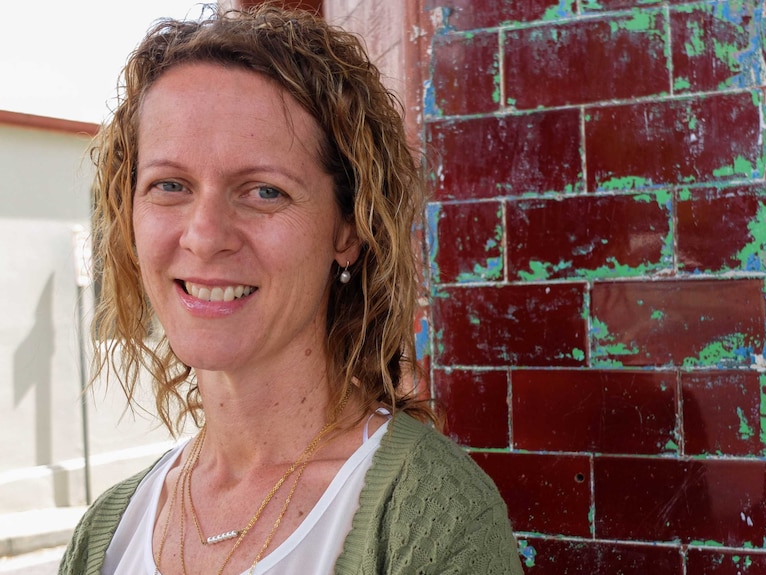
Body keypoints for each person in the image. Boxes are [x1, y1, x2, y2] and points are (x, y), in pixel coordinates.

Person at [59, 4, 523, 574]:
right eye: (170, 184)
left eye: (264, 192)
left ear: (348, 228)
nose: (204, 237)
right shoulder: (107, 533)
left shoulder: (432, 518)